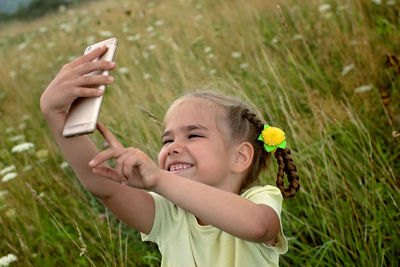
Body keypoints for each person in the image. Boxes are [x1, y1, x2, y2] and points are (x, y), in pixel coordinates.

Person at [40, 45, 300, 266]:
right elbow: (103, 187)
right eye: (167, 139)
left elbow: (257, 226)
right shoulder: (169, 215)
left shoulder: (260, 199)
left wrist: (159, 180)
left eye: (193, 135)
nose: (172, 147)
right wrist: (56, 113)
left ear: (240, 156)